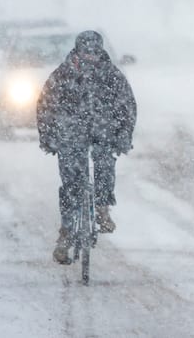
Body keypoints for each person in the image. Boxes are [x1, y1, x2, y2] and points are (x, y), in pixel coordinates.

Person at [37, 30, 137, 265]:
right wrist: (48, 136)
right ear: (78, 50)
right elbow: (45, 106)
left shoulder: (111, 74)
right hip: (70, 134)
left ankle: (102, 208)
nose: (90, 56)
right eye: (86, 51)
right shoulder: (62, 74)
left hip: (103, 131)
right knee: (70, 183)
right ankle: (66, 233)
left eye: (94, 51)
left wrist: (123, 135)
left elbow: (127, 106)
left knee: (104, 162)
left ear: (100, 51)